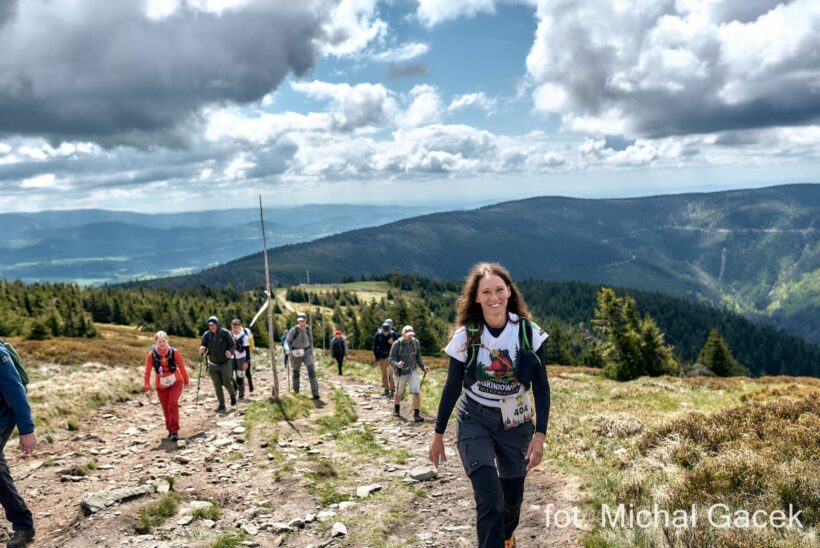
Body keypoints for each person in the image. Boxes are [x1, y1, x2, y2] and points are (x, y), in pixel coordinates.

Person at [428, 262, 550, 548]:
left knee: (511, 502)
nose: (493, 298)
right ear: (476, 298)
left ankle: (507, 538)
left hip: (516, 421)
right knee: (490, 501)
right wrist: (437, 435)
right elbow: (451, 388)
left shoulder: (530, 333)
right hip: (475, 419)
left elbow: (542, 387)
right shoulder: (465, 336)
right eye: (486, 292)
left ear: (509, 291)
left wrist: (540, 436)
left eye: (499, 290)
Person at [0, 344, 36, 548]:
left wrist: (27, 430)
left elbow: (16, 392)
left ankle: (23, 526)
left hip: (3, 418)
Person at [143, 331, 190, 441]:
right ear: (156, 342)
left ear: (167, 341)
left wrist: (186, 380)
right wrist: (147, 388)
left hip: (176, 382)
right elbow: (147, 372)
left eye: (164, 341)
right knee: (165, 408)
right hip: (161, 385)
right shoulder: (151, 355)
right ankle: (170, 429)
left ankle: (175, 430)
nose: (162, 343)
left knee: (172, 403)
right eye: (160, 341)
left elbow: (182, 366)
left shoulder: (174, 352)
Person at [390, 325, 428, 422]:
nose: (410, 337)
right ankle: (396, 409)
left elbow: (418, 357)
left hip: (412, 370)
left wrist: (423, 366)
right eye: (408, 335)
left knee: (416, 391)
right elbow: (391, 359)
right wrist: (397, 364)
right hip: (400, 372)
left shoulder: (416, 343)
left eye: (411, 335)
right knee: (399, 392)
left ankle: (416, 414)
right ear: (403, 334)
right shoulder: (397, 344)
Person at [198, 316, 236, 413]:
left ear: (217, 324)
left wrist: (230, 352)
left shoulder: (225, 333)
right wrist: (202, 348)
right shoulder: (207, 335)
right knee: (217, 384)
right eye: (210, 325)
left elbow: (232, 345)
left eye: (213, 324)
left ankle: (232, 395)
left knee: (226, 381)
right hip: (212, 364)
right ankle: (222, 405)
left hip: (225, 362)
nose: (212, 327)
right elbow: (204, 345)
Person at [284, 313, 320, 399]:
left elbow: (311, 340)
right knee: (296, 372)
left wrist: (311, 351)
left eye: (303, 320)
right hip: (296, 352)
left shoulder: (308, 329)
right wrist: (287, 350)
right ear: (298, 321)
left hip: (307, 352)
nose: (301, 322)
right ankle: (296, 392)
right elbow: (286, 341)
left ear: (306, 320)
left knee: (312, 371)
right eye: (300, 320)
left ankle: (315, 393)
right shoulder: (293, 330)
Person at [372, 322, 398, 397]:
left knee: (392, 373)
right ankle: (386, 389)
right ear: (382, 330)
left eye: (387, 331)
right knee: (384, 374)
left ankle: (393, 389)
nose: (386, 333)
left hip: (391, 357)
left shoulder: (393, 334)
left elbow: (398, 346)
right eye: (384, 331)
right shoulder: (378, 335)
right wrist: (377, 357)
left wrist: (392, 343)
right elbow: (374, 346)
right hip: (382, 357)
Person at [230, 319, 250, 401]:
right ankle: (234, 388)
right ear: (231, 327)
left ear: (240, 327)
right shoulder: (229, 335)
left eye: (237, 327)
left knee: (240, 376)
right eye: (233, 327)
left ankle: (241, 393)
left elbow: (247, 350)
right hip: (231, 358)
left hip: (241, 358)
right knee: (229, 376)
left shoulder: (244, 336)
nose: (235, 329)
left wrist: (246, 362)